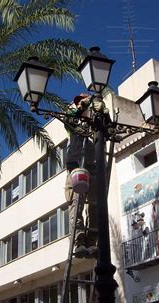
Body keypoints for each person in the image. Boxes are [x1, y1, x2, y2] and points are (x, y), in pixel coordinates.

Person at [64, 93, 98, 258]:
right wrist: (81, 108)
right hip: (76, 168)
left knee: (94, 205)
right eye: (78, 103)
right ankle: (79, 242)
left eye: (84, 103)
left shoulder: (96, 126)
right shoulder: (73, 125)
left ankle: (91, 242)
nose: (81, 105)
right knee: (76, 206)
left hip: (91, 169)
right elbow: (68, 120)